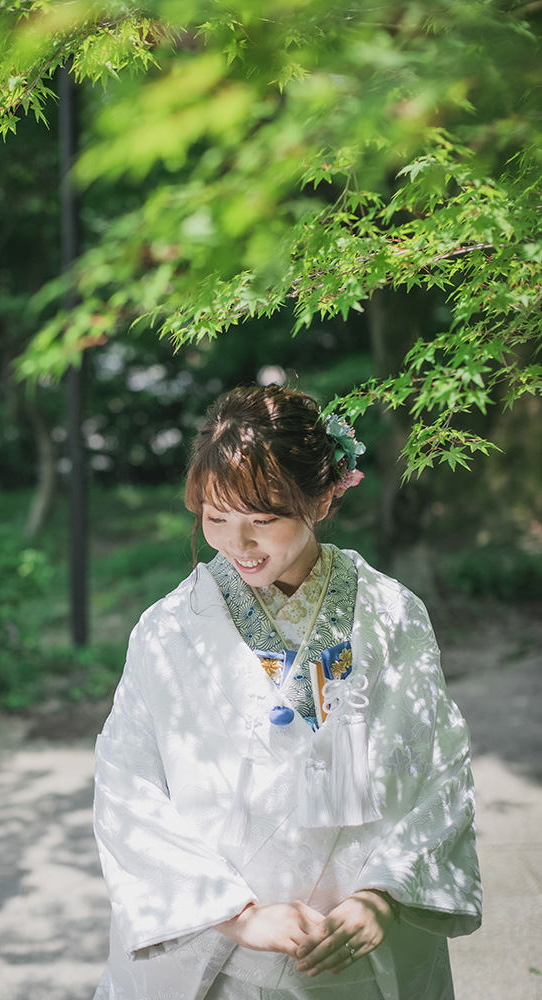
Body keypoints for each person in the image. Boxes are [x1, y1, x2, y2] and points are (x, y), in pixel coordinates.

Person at [92, 384, 482, 1000]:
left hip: (356, 940)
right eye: (216, 519)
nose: (238, 544)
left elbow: (439, 760)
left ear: (325, 498)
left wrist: (385, 895)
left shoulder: (391, 613)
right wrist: (235, 913)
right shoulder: (169, 628)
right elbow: (127, 781)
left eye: (264, 520)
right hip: (221, 945)